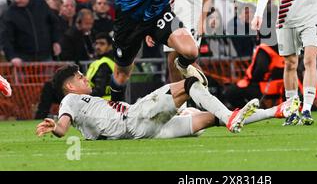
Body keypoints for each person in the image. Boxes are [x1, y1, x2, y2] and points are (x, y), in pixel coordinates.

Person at [35, 64, 266, 140]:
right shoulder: (71, 100)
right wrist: (55, 126)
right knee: (189, 84)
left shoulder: (84, 103)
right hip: (135, 117)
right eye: (79, 77)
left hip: (145, 130)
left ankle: (275, 111)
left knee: (210, 118)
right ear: (70, 87)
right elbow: (63, 128)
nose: (85, 77)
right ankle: (227, 114)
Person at [85, 32, 118, 100]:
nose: (98, 47)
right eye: (96, 43)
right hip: (111, 103)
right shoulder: (112, 61)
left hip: (100, 104)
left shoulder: (104, 64)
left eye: (102, 44)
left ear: (110, 46)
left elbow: (99, 91)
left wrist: (81, 95)